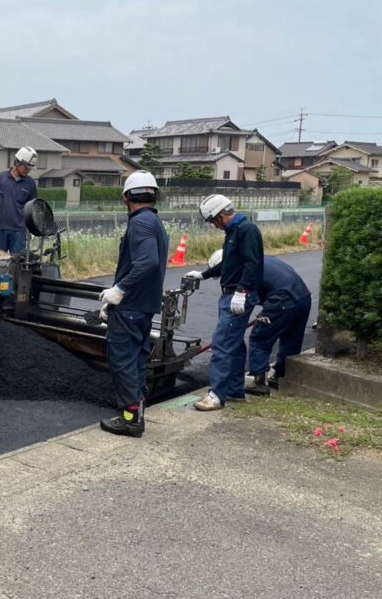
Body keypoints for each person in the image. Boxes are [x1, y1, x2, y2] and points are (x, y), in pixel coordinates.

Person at [98, 170, 169, 437]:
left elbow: (147, 262)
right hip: (144, 306)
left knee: (123, 361)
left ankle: (129, 419)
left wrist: (120, 290)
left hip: (131, 306)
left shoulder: (139, 223)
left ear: (126, 197)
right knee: (138, 359)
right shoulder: (155, 222)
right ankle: (138, 407)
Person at [186, 194, 264, 411]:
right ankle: (235, 390)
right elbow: (227, 265)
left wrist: (242, 291)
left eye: (213, 221)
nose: (214, 226)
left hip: (236, 296)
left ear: (221, 215)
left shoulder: (246, 231)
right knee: (235, 345)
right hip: (230, 294)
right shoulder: (233, 233)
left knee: (222, 343)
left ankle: (217, 394)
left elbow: (253, 263)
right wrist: (203, 274)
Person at [245, 254, 312, 395]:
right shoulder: (263, 258)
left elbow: (249, 297)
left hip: (282, 299)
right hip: (303, 296)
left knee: (260, 336)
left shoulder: (245, 268)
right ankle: (282, 375)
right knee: (291, 337)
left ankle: (259, 382)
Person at [0, 146, 38, 253]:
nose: (28, 171)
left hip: (19, 231)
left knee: (17, 264)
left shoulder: (30, 183)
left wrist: (30, 229)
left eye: (30, 168)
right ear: (17, 163)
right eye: (26, 167)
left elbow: (33, 207)